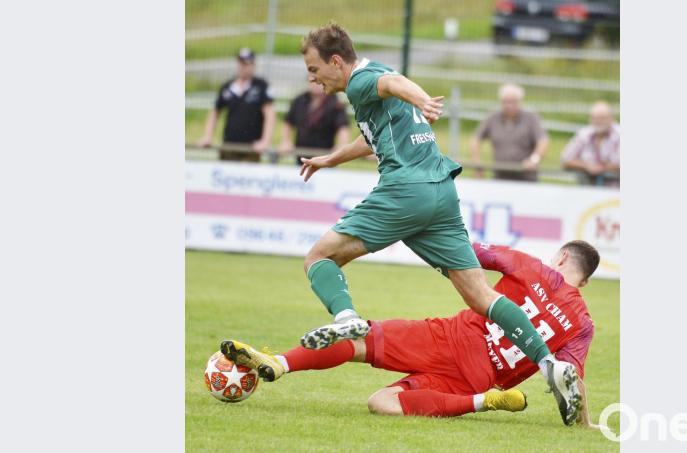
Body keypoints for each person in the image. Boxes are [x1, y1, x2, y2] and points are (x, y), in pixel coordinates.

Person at [222, 23, 584, 425]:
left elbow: (392, 83)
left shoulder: (361, 80)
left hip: (406, 189)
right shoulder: (370, 78)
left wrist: (424, 99)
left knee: (319, 257)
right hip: (441, 192)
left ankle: (346, 319)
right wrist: (329, 159)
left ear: (336, 61)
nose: (312, 78)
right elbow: (372, 137)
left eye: (314, 68)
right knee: (480, 295)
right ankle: (548, 363)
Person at [221, 240, 601, 426]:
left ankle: (280, 363)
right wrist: (584, 427)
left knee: (356, 341)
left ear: (562, 258)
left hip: (453, 336)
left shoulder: (531, 266)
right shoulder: (582, 324)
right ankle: (485, 402)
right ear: (583, 280)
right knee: (382, 402)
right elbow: (573, 381)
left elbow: (462, 251)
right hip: (480, 378)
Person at [198, 47, 277, 163]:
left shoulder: (260, 86)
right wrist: (208, 136)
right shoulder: (227, 87)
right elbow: (215, 111)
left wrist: (265, 141)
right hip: (229, 145)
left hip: (251, 148)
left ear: (253, 65)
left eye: (246, 64)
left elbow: (269, 114)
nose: (242, 67)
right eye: (240, 63)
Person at [469, 83, 550, 182]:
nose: (509, 105)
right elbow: (476, 138)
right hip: (500, 177)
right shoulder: (493, 117)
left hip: (526, 178)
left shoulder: (531, 117)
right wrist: (477, 163)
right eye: (505, 102)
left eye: (513, 102)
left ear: (520, 102)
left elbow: (543, 141)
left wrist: (534, 160)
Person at [279, 81, 351, 165]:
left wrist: (341, 145)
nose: (315, 85)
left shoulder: (335, 103)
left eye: (319, 82)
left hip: (325, 158)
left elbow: (343, 127)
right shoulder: (299, 100)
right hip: (301, 156)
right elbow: (288, 122)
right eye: (312, 81)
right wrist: (285, 141)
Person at [561, 101, 620, 186]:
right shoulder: (583, 134)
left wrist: (601, 168)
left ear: (612, 118)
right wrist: (586, 166)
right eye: (595, 118)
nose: (599, 121)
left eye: (603, 118)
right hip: (588, 187)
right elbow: (565, 159)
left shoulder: (619, 134)